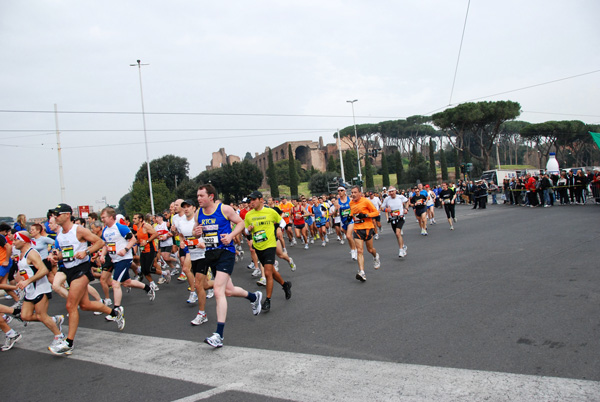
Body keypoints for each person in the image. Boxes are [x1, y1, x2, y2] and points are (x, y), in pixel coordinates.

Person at [48, 203, 124, 355]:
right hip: (69, 270)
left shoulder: (79, 230)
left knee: (71, 305)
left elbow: (100, 242)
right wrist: (58, 257)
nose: (55, 217)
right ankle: (116, 313)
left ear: (67, 215)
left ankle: (68, 343)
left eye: (58, 214)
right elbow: (67, 253)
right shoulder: (61, 234)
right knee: (85, 305)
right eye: (54, 215)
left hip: (81, 270)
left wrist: (87, 252)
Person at [193, 184, 262, 348]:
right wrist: (197, 233)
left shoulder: (224, 209)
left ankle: (219, 335)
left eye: (201, 196)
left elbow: (241, 223)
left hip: (226, 253)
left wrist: (231, 235)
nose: (199, 199)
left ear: (210, 196)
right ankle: (254, 297)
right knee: (228, 291)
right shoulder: (199, 212)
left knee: (218, 290)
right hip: (211, 254)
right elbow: (197, 230)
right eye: (197, 196)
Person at [12, 231, 65, 352]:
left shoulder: (32, 253)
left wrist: (28, 281)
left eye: (16, 240)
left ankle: (59, 337)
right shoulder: (21, 254)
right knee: (25, 315)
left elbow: (44, 270)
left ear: (24, 240)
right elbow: (25, 272)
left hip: (40, 288)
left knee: (41, 315)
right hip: (30, 290)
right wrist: (20, 281)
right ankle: (53, 320)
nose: (13, 242)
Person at [99, 207, 156, 319]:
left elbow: (133, 240)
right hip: (115, 260)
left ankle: (116, 310)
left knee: (115, 283)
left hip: (125, 259)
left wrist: (125, 249)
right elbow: (106, 244)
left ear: (111, 217)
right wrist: (102, 255)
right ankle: (148, 288)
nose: (102, 220)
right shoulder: (105, 231)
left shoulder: (120, 227)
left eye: (103, 217)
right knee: (127, 282)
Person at [244, 191, 292, 313]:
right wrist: (248, 230)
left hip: (270, 245)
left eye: (254, 200)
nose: (251, 202)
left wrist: (279, 229)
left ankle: (268, 300)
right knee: (272, 271)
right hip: (258, 246)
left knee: (268, 273)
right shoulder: (249, 215)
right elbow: (245, 230)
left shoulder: (270, 211)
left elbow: (282, 222)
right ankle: (285, 285)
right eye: (250, 200)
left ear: (260, 199)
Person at [175, 200, 211, 325]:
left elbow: (210, 234)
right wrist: (182, 242)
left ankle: (202, 314)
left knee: (198, 285)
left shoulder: (200, 219)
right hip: (193, 254)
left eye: (188, 207)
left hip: (203, 254)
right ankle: (223, 284)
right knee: (205, 285)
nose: (186, 209)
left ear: (194, 208)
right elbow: (180, 235)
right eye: (184, 207)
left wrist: (203, 244)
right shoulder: (180, 222)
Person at [349, 186, 380, 282]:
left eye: (355, 192)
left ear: (360, 193)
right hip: (357, 229)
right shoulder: (351, 203)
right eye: (352, 192)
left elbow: (376, 212)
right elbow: (353, 213)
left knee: (370, 249)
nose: (353, 194)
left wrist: (366, 215)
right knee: (359, 251)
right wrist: (349, 217)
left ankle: (376, 256)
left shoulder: (366, 201)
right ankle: (362, 272)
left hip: (367, 228)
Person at [380, 186, 409, 257]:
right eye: (390, 192)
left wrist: (406, 209)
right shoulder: (387, 199)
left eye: (392, 191)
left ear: (395, 191)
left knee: (398, 233)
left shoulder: (400, 197)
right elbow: (381, 208)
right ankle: (403, 246)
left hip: (400, 218)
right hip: (392, 219)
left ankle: (401, 250)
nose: (391, 193)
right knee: (397, 235)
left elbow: (407, 201)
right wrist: (387, 210)